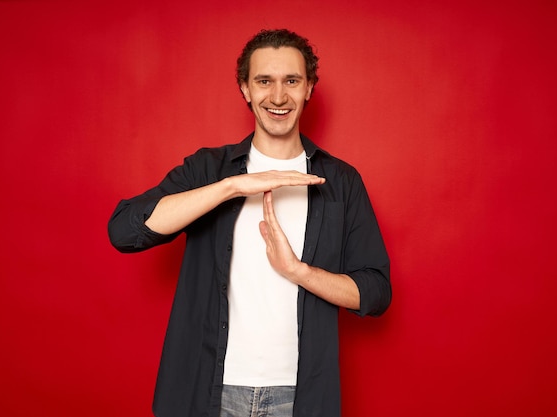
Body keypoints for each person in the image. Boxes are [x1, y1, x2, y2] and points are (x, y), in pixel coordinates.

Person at [108, 28, 391, 417]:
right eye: (264, 81)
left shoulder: (341, 182)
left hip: (300, 396)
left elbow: (375, 292)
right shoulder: (209, 170)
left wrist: (298, 271)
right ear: (245, 88)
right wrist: (232, 187)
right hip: (210, 390)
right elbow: (124, 231)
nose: (278, 97)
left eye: (291, 81)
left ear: (309, 87)